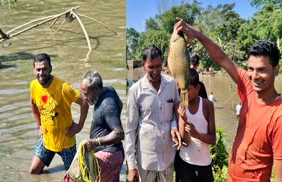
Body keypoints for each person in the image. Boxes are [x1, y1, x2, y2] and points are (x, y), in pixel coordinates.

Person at [173, 18, 282, 181]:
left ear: (276, 70)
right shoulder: (248, 88)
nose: (254, 76)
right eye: (251, 69)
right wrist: (198, 34)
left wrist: (196, 133)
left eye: (262, 70)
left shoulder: (280, 117)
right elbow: (222, 58)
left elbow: (281, 177)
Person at [126, 45, 181, 182]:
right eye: (151, 67)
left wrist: (174, 126)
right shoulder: (135, 90)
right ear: (143, 64)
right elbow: (130, 129)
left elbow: (176, 111)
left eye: (159, 66)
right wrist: (131, 165)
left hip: (168, 156)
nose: (156, 71)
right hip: (146, 158)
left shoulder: (171, 84)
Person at [29, 53, 89, 174]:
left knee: (74, 176)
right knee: (34, 171)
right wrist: (39, 125)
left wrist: (79, 126)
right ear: (34, 70)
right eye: (38, 69)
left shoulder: (63, 87)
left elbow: (84, 102)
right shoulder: (34, 85)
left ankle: (86, 160)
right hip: (46, 139)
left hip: (66, 141)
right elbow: (33, 103)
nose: (41, 73)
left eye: (44, 69)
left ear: (50, 68)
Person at [81, 70, 125, 182]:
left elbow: (119, 133)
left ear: (96, 89)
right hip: (113, 154)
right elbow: (120, 104)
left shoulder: (107, 105)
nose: (84, 97)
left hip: (109, 155)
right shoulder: (109, 89)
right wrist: (110, 121)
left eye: (86, 93)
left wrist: (96, 142)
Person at [176, 68, 216, 182]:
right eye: (182, 90)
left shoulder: (207, 105)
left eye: (188, 90)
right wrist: (183, 120)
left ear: (197, 88)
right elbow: (185, 142)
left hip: (204, 163)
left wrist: (197, 134)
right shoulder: (180, 106)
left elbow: (213, 139)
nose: (184, 93)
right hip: (186, 162)